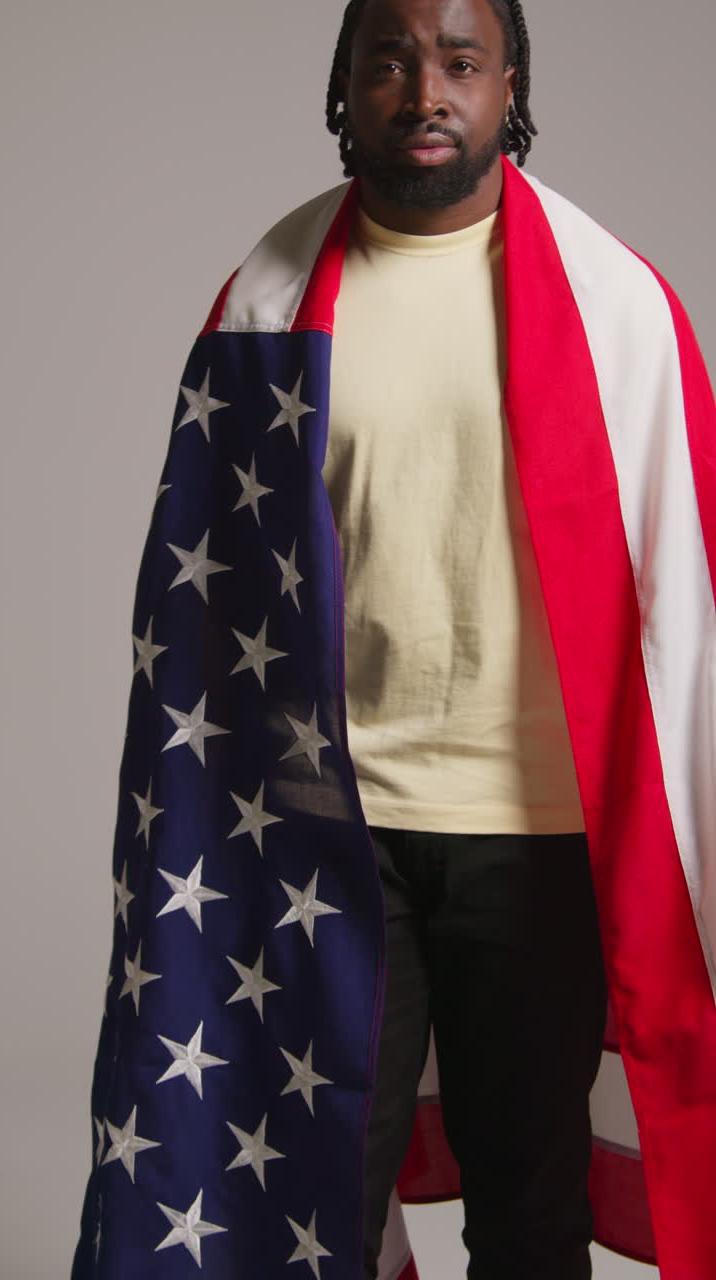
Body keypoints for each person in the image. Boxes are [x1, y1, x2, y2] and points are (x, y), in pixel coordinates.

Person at [71, 2, 716, 1279]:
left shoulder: (618, 311)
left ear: (508, 87)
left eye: (460, 64)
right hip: (329, 833)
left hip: (537, 838)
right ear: (345, 87)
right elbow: (203, 609)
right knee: (317, 1199)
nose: (425, 91)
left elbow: (684, 599)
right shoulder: (264, 302)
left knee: (529, 1211)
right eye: (390, 62)